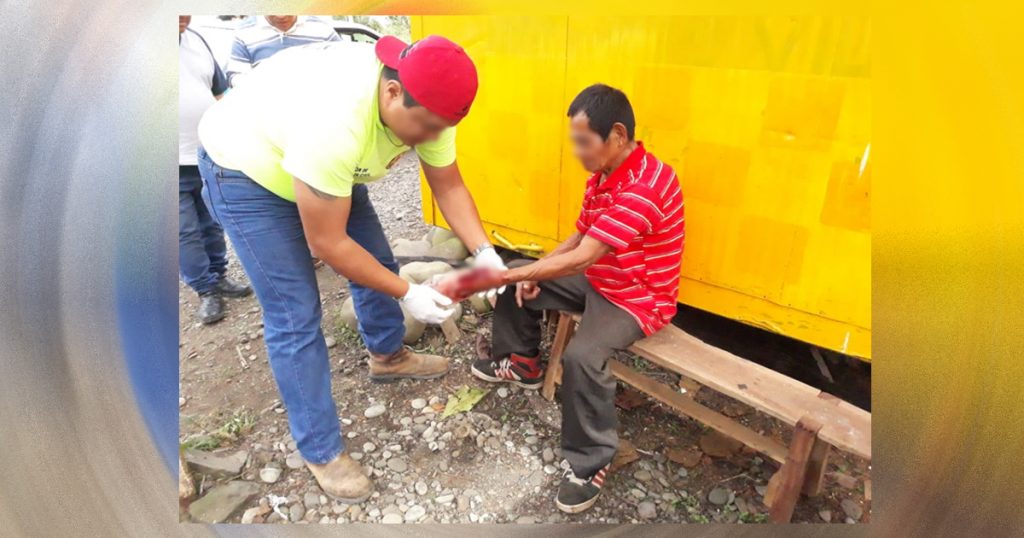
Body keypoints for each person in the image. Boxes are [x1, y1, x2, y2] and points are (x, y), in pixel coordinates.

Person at [196, 35, 506, 503]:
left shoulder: (434, 108)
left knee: (377, 262)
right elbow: (327, 243)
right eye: (423, 127)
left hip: (323, 166)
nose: (428, 139)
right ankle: (320, 450)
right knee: (294, 313)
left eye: (440, 129)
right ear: (392, 92)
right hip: (248, 171)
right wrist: (408, 293)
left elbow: (448, 185)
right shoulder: (336, 123)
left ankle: (388, 356)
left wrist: (484, 252)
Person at [471, 84, 685, 514]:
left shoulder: (645, 186)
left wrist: (517, 273)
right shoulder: (605, 175)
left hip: (636, 297)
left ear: (618, 135)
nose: (577, 152)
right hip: (602, 277)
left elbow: (585, 256)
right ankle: (522, 363)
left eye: (583, 142)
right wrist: (529, 271)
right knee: (519, 274)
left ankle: (591, 462)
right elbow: (581, 237)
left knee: (582, 357)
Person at [178, 15, 252, 324]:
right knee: (184, 231)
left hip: (206, 152)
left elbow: (219, 91)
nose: (183, 16)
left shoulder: (196, 39)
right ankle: (205, 289)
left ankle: (219, 275)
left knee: (211, 221)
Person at [225, 15, 341, 87]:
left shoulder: (322, 29)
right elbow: (234, 77)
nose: (282, 16)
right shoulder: (244, 33)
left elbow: (344, 66)